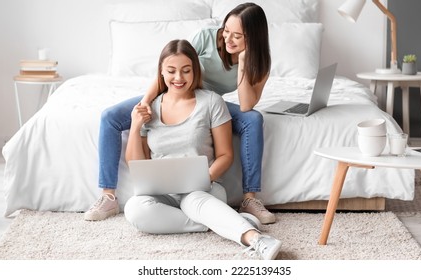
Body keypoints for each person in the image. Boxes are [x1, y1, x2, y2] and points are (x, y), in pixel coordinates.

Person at [84, 2, 275, 224]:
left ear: (253, 38)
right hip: (176, 92)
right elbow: (174, 65)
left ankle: (250, 198)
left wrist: (243, 62)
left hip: (209, 101)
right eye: (226, 32)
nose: (228, 40)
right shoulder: (206, 38)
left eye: (237, 36)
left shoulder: (260, 62)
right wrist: (146, 102)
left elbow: (246, 105)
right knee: (110, 117)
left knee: (253, 119)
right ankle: (108, 196)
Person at [123, 39, 281, 260]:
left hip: (205, 189)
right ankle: (221, 222)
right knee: (134, 209)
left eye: (186, 71)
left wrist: (204, 178)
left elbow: (226, 155)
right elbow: (137, 164)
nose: (178, 78)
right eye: (171, 71)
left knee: (193, 200)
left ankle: (255, 238)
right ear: (160, 72)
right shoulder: (149, 110)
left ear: (195, 71)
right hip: (164, 194)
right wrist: (135, 126)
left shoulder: (211, 102)